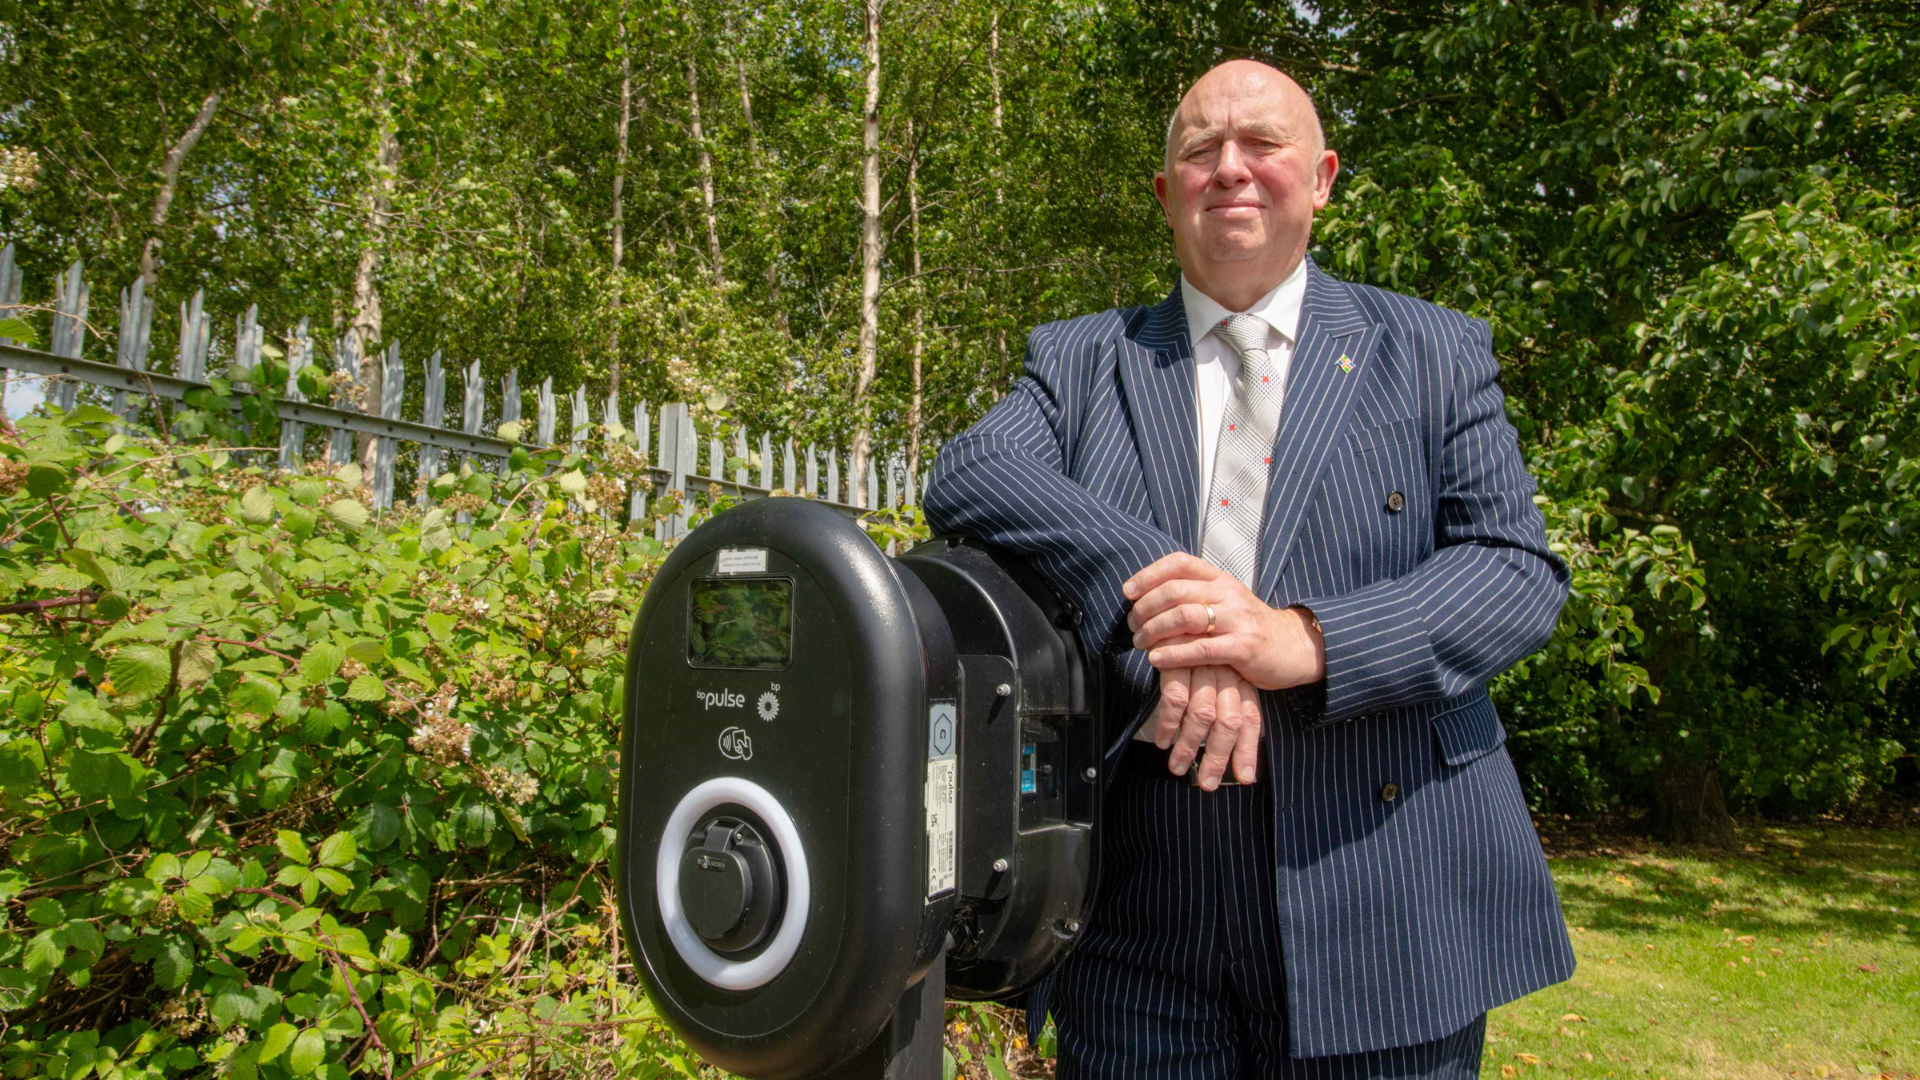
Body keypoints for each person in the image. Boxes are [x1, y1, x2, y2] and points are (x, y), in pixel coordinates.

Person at [922, 59, 1575, 1079]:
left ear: (1320, 178)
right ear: (1164, 193)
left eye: (1262, 143)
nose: (1230, 167)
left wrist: (1295, 641)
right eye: (1199, 149)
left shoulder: (1435, 351)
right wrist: (1170, 592)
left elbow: (1512, 572)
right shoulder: (1085, 360)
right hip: (1143, 912)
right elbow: (971, 469)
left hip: (1385, 890)